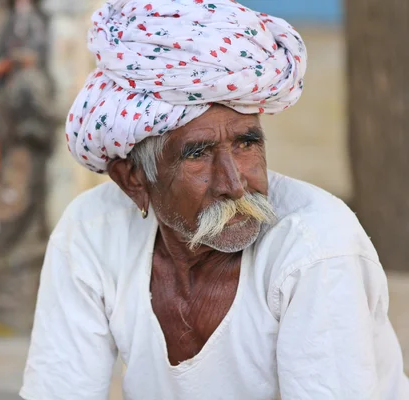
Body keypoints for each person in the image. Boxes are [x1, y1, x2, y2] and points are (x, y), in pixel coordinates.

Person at [21, 0, 409, 399]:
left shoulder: (317, 247)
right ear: (134, 179)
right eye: (198, 154)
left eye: (247, 143)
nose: (234, 184)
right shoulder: (91, 231)